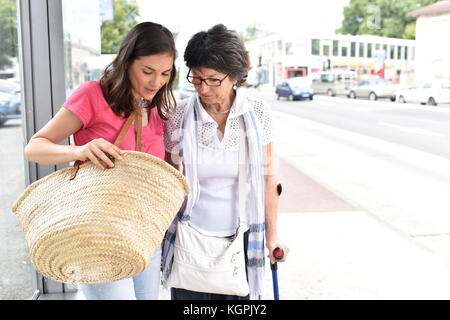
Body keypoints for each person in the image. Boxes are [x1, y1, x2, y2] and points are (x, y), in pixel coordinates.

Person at [24, 22, 177, 300]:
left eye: (165, 73)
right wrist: (79, 151)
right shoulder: (93, 95)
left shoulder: (156, 110)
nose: (156, 82)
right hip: (97, 236)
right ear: (126, 62)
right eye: (148, 72)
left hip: (145, 236)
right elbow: (35, 148)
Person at [162, 24, 289, 300]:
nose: (203, 88)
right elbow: (168, 180)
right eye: (196, 78)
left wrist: (273, 235)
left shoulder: (257, 114)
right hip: (190, 241)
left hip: (240, 243)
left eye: (212, 79)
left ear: (234, 76)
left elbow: (268, 179)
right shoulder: (179, 116)